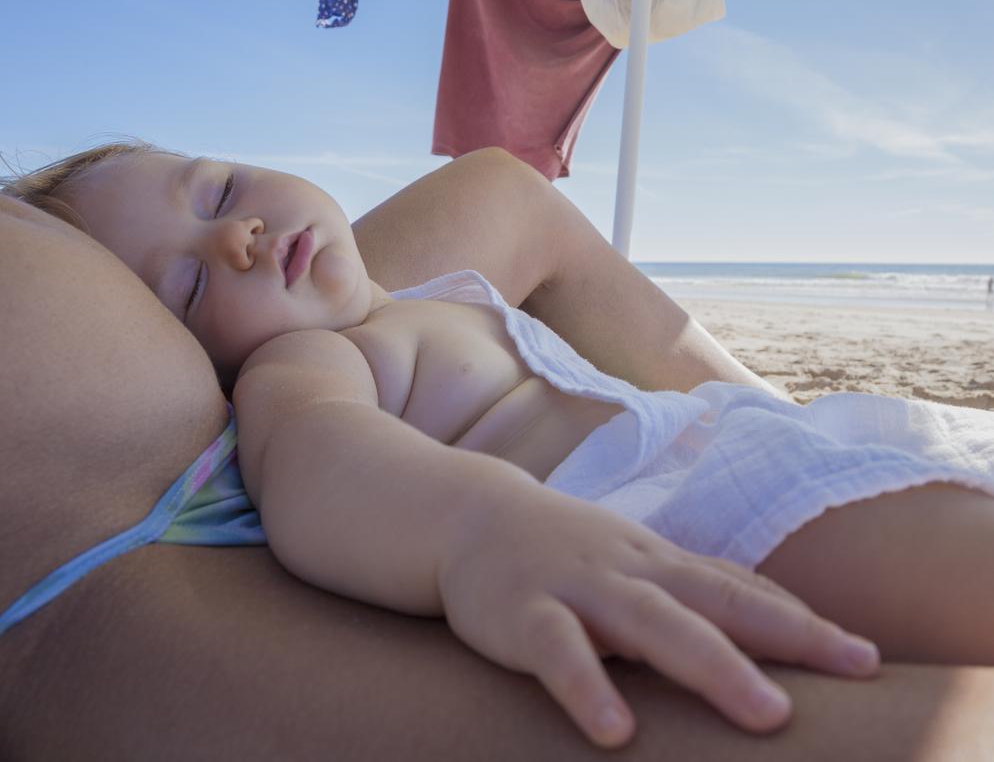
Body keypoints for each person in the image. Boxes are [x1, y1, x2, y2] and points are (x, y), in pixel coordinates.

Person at [3, 151, 994, 759]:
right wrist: (476, 529)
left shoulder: (434, 296)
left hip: (747, 449)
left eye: (218, 187)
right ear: (188, 361)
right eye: (187, 286)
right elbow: (318, 461)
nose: (239, 236)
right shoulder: (305, 365)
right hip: (661, 512)